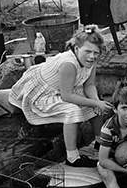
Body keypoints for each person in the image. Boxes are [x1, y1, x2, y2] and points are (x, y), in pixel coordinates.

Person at [8, 24, 112, 168]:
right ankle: (72, 157)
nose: (92, 56)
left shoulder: (91, 61)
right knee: (72, 111)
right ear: (76, 48)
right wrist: (94, 103)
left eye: (96, 52)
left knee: (96, 102)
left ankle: (100, 142)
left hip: (66, 89)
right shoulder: (68, 64)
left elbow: (89, 85)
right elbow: (67, 96)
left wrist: (96, 101)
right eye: (87, 51)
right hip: (43, 93)